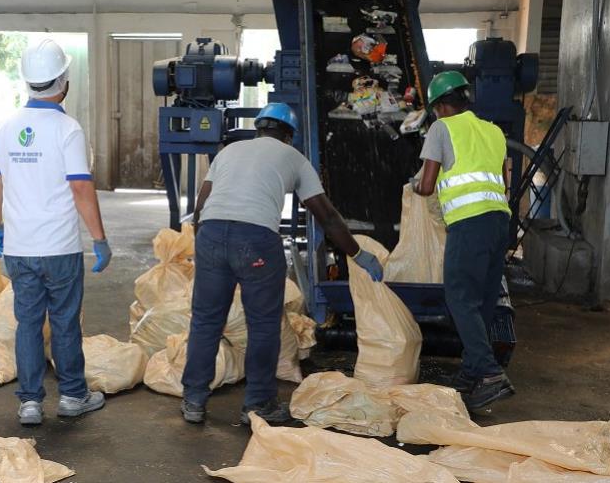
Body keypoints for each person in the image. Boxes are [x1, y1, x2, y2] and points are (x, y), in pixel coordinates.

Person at [180, 102, 385, 425]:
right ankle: (258, 405)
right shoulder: (294, 158)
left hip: (212, 234)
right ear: (288, 135)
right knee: (262, 325)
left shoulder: (229, 152)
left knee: (206, 321)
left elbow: (200, 208)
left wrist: (209, 246)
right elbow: (327, 216)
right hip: (256, 241)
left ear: (259, 127)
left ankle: (193, 399)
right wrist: (357, 253)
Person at [0, 39, 112, 426]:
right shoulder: (67, 130)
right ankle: (73, 396)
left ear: (27, 82)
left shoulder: (5, 129)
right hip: (59, 247)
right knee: (63, 321)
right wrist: (99, 239)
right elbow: (80, 187)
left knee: (27, 323)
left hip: (20, 247)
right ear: (64, 81)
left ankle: (29, 403)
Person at [410, 70, 515, 411]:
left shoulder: (442, 128)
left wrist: (413, 184)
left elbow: (426, 186)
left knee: (459, 297)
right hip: (500, 222)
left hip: (469, 224)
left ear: (440, 106)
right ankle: (471, 372)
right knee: (483, 300)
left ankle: (488, 373)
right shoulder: (493, 131)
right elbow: (499, 178)